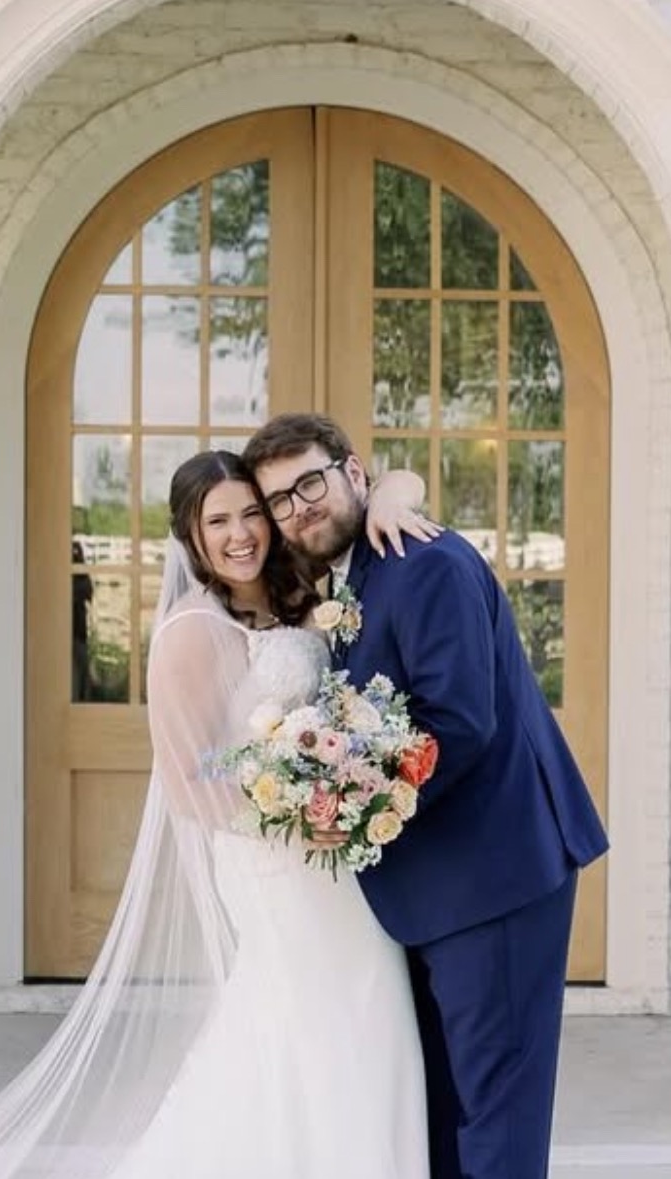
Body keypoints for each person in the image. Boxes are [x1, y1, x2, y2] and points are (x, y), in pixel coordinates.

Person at [0, 451, 435, 1179]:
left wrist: (395, 493)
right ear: (190, 535)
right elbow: (192, 780)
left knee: (370, 1008)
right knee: (306, 1021)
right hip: (274, 864)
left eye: (251, 513)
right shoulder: (191, 630)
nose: (241, 534)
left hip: (338, 859)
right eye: (218, 521)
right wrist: (296, 806)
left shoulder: (303, 589)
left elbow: (382, 487)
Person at [242, 413, 610, 1179]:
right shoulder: (355, 575)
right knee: (444, 1113)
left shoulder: (424, 563)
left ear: (354, 472)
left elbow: (459, 722)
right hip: (433, 888)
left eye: (309, 482)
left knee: (495, 1119)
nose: (298, 508)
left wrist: (350, 806)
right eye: (279, 500)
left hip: (494, 876)